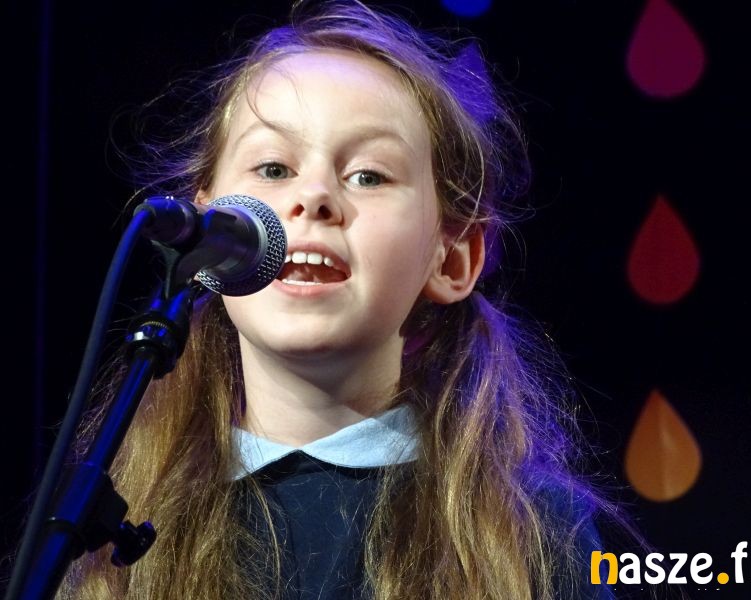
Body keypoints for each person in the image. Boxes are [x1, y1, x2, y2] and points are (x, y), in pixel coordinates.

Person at [59, 1, 626, 598]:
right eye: (273, 168)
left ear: (452, 257)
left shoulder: (531, 532)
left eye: (368, 176)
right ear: (205, 233)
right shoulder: (114, 527)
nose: (314, 197)